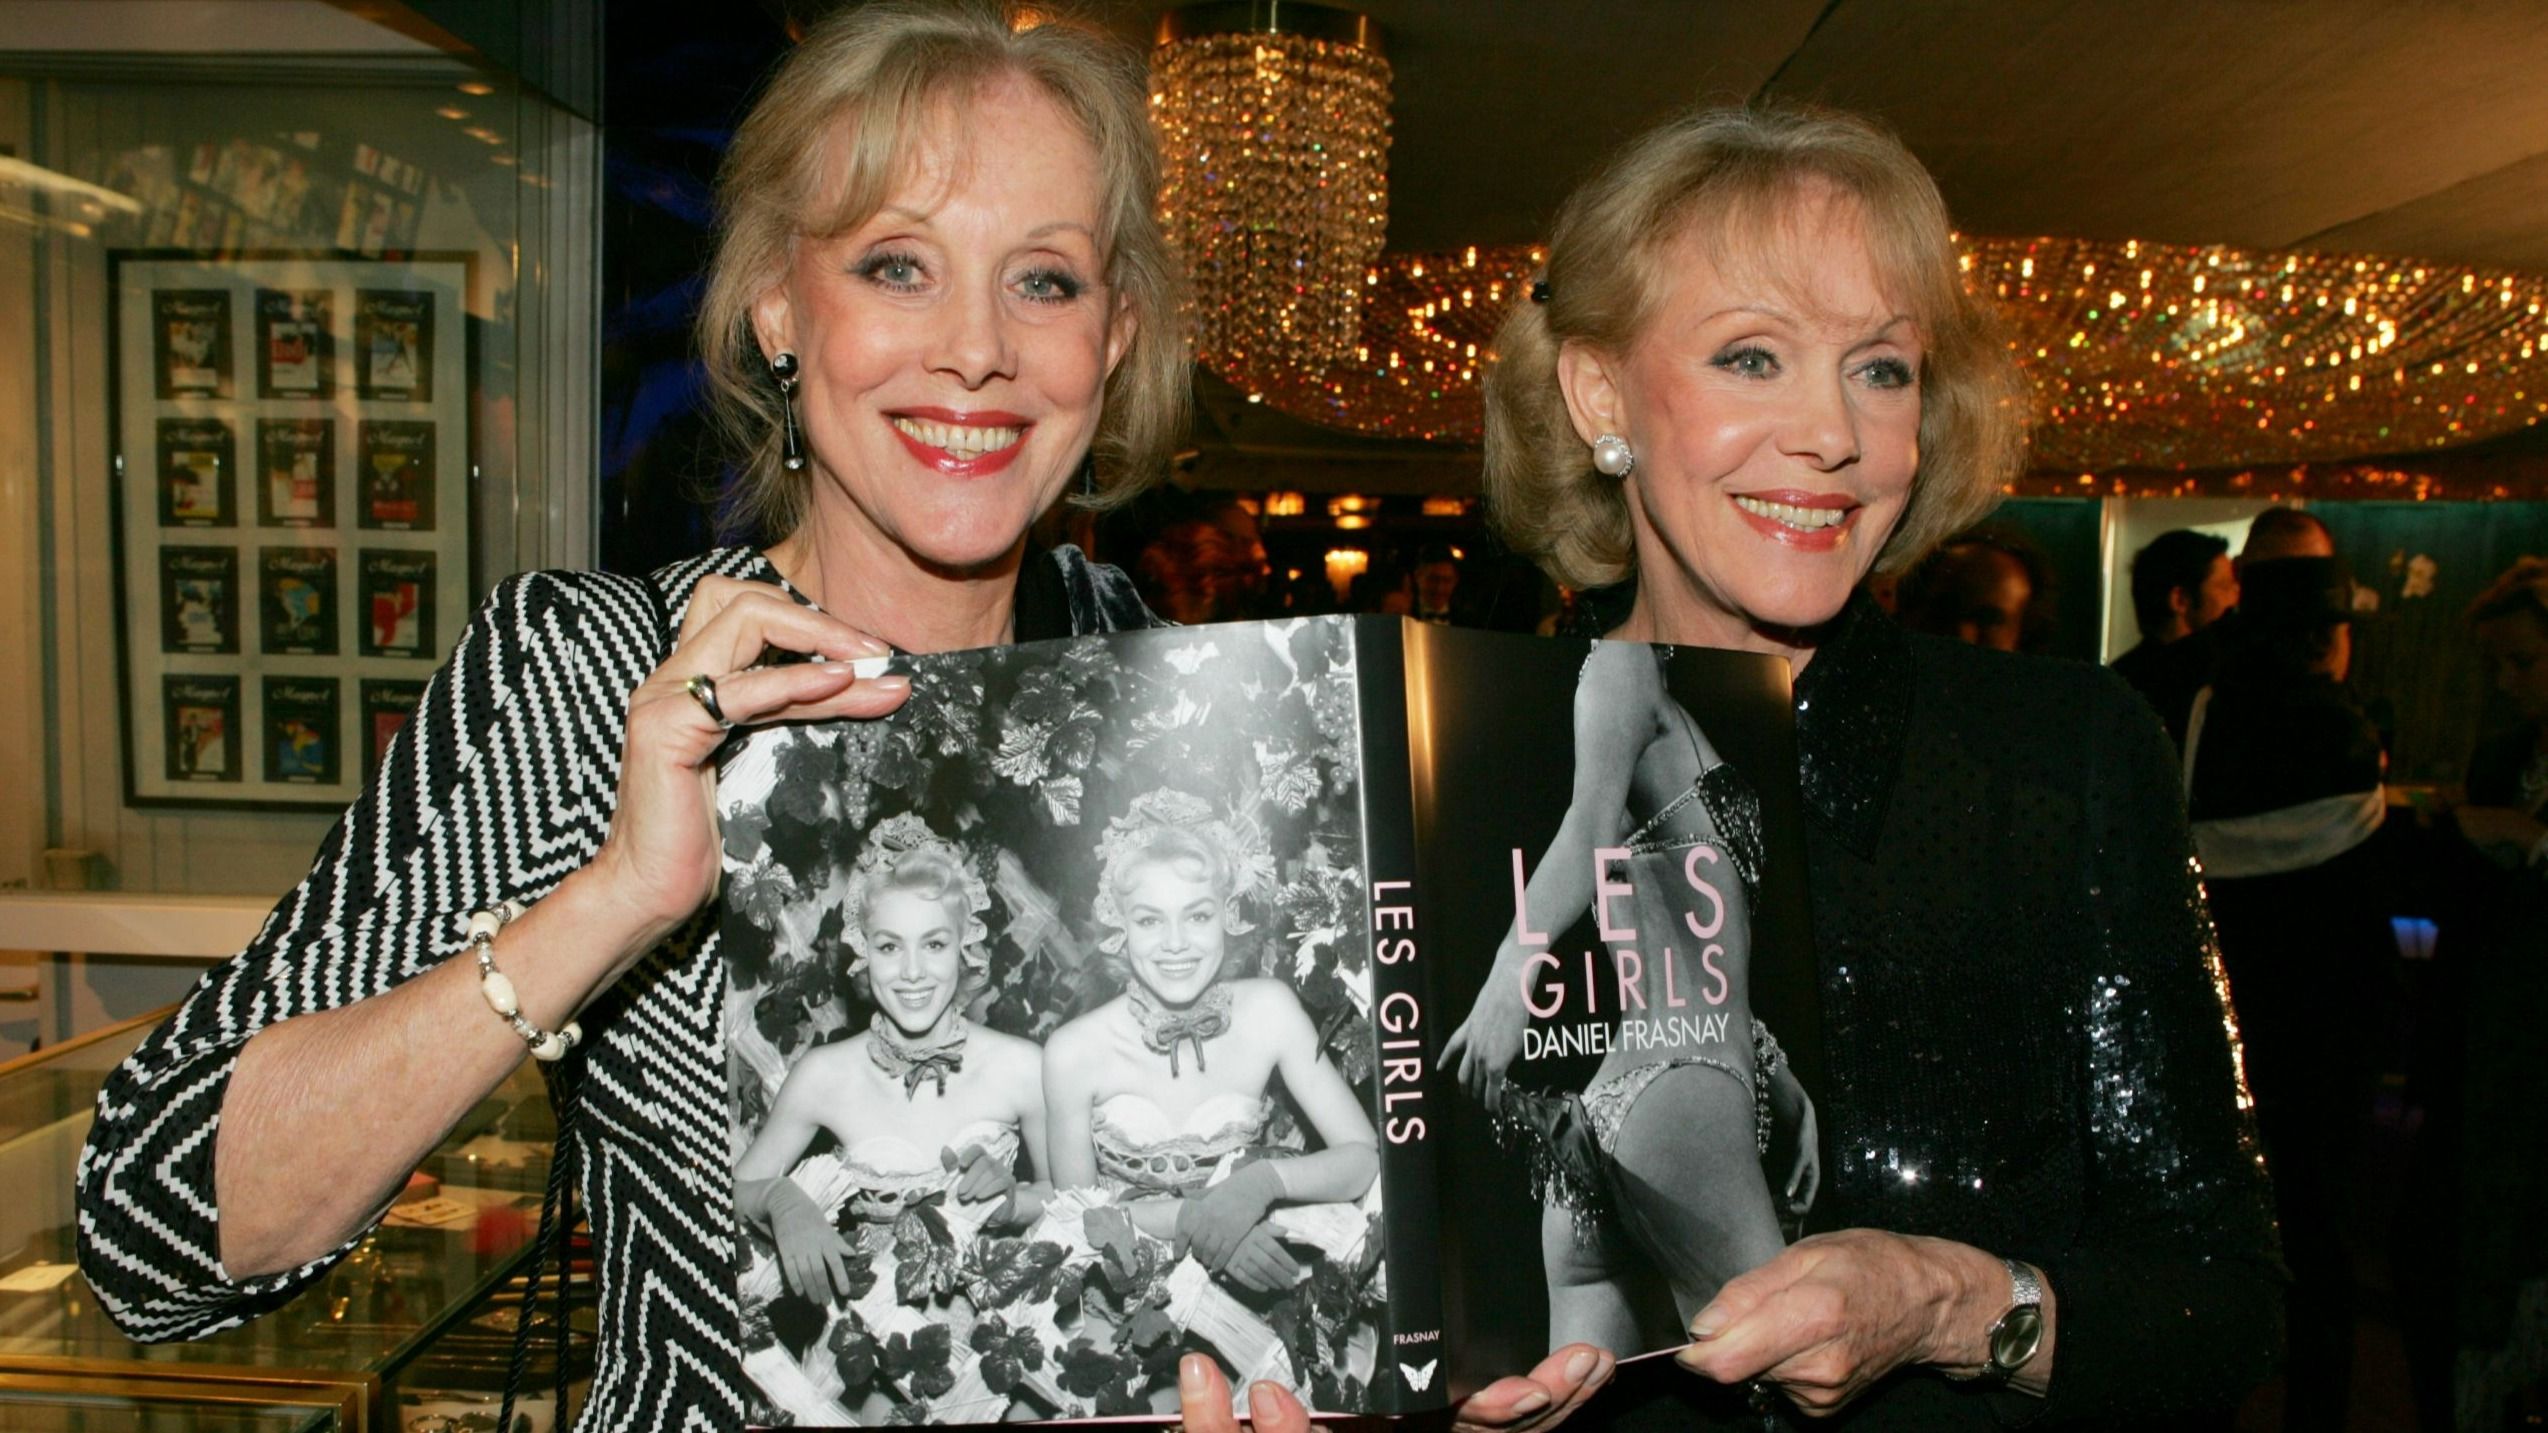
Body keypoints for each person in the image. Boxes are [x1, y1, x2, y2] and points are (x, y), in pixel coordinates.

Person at [75, 6, 1203, 1427]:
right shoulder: (597, 675)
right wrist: (614, 897)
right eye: (897, 264)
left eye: (1043, 280)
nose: (975, 349)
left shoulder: (1178, 696)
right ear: (780, 308)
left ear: (1114, 340)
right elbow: (151, 1226)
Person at [1464, 103, 2279, 1426]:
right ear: (1599, 391)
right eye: (1751, 356)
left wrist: (1958, 1304)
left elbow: (2225, 1306)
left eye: (1881, 369)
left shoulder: (2061, 759)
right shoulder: (1447, 756)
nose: (1832, 434)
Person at [1446, 640, 1819, 1351]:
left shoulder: (1652, 687)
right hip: (1682, 1100)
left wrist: (1781, 1075)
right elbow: (1588, 828)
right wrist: (1511, 969)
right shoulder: (1623, 665)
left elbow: (1694, 942)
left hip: (1627, 1108)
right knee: (1787, 1379)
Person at [2182, 555, 2388, 1433]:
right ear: (2324, 636)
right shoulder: (2339, 732)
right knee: (2320, 1240)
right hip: (2327, 1029)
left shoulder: (2205, 712)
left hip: (2226, 1018)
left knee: (2221, 1237)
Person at [1043, 793, 1380, 1295]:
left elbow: (1364, 1157)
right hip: (1129, 1294)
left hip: (1267, 1280)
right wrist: (1197, 1220)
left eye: (1197, 916)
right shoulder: (1071, 1052)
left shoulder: (1271, 1010)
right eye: (1150, 920)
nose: (1175, 942)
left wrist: (1262, 1184)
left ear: (1229, 914)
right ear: (1119, 925)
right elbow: (1078, 1222)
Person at [2111, 528, 2237, 744]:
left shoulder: (2115, 681)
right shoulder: (2222, 679)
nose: (2237, 594)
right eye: (2225, 586)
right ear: (2180, 600)